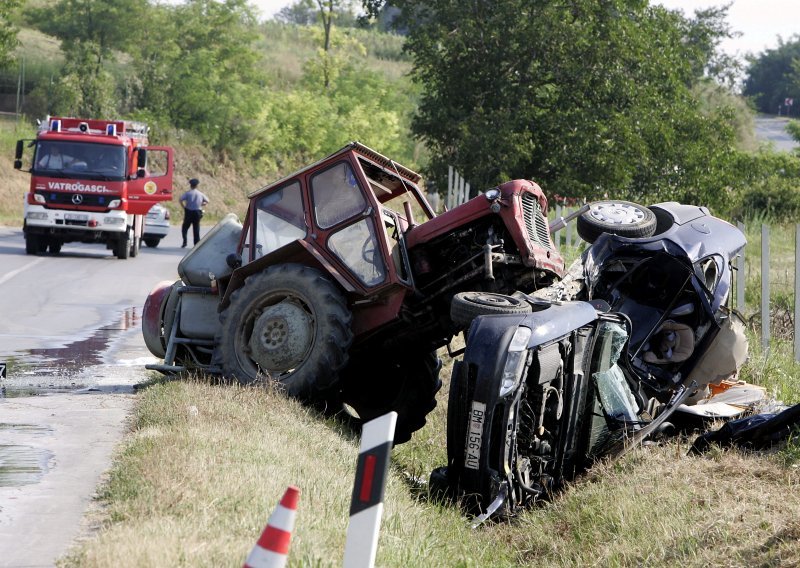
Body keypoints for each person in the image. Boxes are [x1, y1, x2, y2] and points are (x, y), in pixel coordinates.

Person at [179, 178, 209, 248]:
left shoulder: (188, 193)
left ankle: (185, 241)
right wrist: (202, 204)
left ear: (190, 185)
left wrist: (184, 207)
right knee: (196, 228)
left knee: (185, 227)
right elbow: (207, 201)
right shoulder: (200, 194)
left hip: (189, 211)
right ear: (197, 185)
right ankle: (196, 244)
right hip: (197, 212)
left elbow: (180, 199)